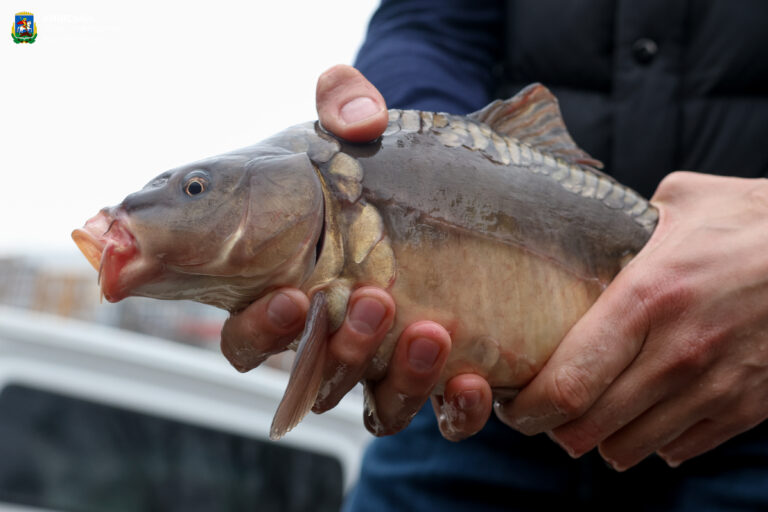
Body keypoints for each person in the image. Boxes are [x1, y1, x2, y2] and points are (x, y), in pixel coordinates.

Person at [222, 1, 768, 509]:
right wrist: (408, 171)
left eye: (198, 189)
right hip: (463, 409)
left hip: (749, 416)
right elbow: (434, 24)